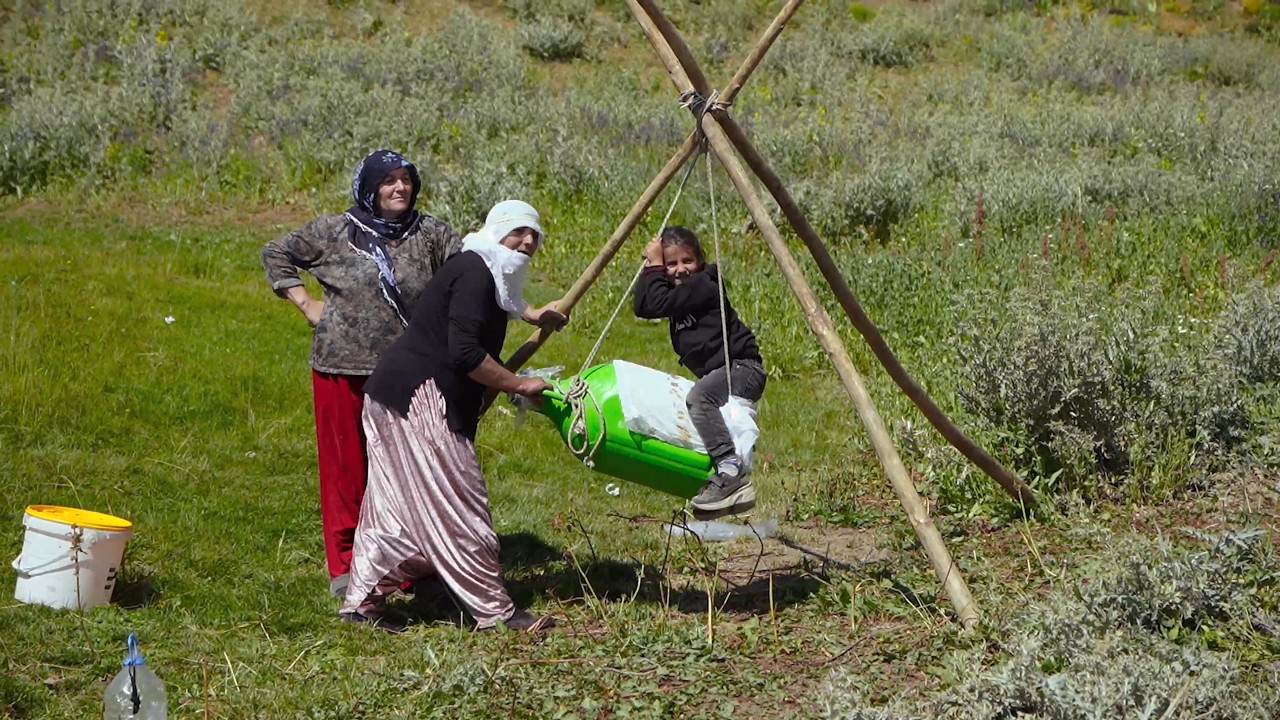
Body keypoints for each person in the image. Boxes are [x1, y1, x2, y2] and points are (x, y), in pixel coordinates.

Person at [340, 200, 568, 633]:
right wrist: (519, 385)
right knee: (460, 502)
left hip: (394, 394)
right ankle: (492, 611)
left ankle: (362, 604)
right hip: (420, 397)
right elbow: (464, 351)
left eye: (534, 236)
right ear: (496, 229)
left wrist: (535, 315)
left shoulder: (483, 268)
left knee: (396, 507)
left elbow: (502, 301)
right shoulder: (473, 273)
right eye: (519, 231)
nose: (527, 242)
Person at [260, 149, 461, 598]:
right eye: (389, 180)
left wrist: (519, 300)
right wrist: (306, 303)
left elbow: (470, 269)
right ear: (369, 186)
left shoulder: (430, 233)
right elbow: (276, 253)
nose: (400, 188)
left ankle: (412, 562)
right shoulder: (335, 231)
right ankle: (349, 565)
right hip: (342, 366)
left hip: (410, 369)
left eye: (406, 179)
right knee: (348, 468)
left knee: (409, 466)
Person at [633, 225, 766, 519]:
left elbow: (657, 303)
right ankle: (727, 486)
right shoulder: (679, 290)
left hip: (743, 368)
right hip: (727, 372)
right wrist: (651, 268)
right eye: (671, 263)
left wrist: (656, 266)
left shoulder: (705, 284)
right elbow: (642, 306)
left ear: (700, 261)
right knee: (701, 409)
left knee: (698, 399)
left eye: (687, 261)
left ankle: (730, 469)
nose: (680, 270)